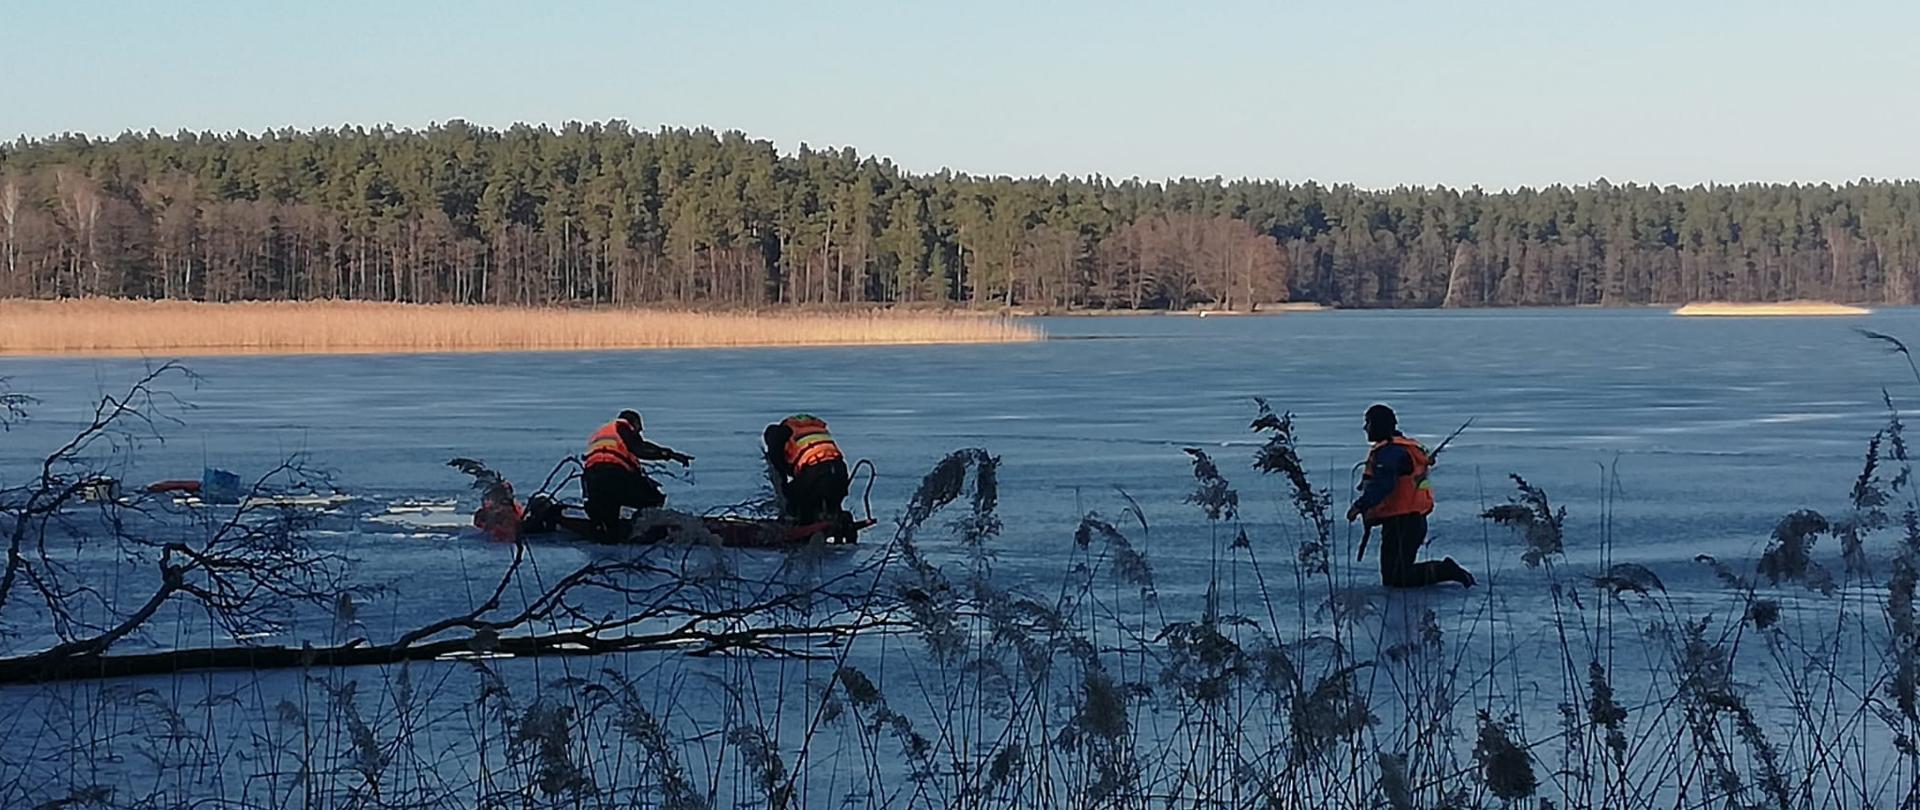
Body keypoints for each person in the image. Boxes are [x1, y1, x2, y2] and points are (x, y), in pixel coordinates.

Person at [1345, 404, 1474, 588]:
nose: (1365, 428)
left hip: (1403, 522)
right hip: (1409, 520)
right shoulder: (1403, 448)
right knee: (1395, 576)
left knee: (1397, 577)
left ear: (1378, 425)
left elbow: (1384, 483)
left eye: (1368, 422)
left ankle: (1445, 570)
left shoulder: (1391, 452)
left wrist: (1360, 506)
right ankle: (1444, 570)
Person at [582, 410, 692, 539]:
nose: (639, 434)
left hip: (591, 478)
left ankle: (605, 528)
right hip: (614, 475)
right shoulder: (622, 427)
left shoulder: (601, 433)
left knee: (608, 522)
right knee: (653, 497)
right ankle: (646, 529)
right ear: (633, 424)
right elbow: (639, 448)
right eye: (639, 430)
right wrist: (668, 454)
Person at [763, 413, 851, 529]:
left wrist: (785, 492)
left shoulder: (778, 435)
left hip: (815, 470)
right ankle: (834, 515)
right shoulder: (810, 427)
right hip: (840, 470)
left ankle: (799, 525)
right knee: (831, 498)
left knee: (794, 497)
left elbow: (779, 468)